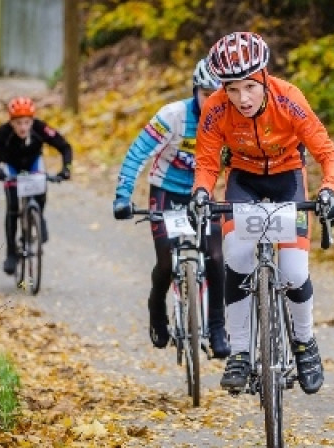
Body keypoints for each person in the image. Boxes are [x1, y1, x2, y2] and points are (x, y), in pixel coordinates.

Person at [190, 31, 334, 395]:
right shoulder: (214, 109)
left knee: (293, 271)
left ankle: (305, 344)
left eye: (249, 87)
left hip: (287, 176)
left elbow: (329, 154)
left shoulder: (289, 99)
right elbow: (207, 162)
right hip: (243, 178)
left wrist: (329, 190)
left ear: (263, 77)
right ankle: (241, 351)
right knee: (238, 259)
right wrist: (200, 192)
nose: (242, 99)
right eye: (232, 89)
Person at [111, 59, 231, 359]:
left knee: (216, 257)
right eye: (206, 94)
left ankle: (217, 326)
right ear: (195, 91)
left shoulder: (231, 119)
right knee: (165, 259)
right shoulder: (172, 116)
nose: (212, 101)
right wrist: (123, 195)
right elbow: (138, 152)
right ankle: (156, 306)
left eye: (219, 96)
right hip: (167, 192)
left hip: (203, 195)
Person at [0, 96, 73, 275]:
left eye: (27, 122)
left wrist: (66, 169)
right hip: (12, 169)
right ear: (11, 122)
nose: (23, 127)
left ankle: (38, 216)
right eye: (18, 123)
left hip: (34, 165)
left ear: (32, 120)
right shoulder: (3, 132)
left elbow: (65, 147)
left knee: (41, 186)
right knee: (12, 208)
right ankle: (11, 253)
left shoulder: (40, 128)